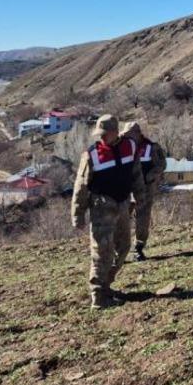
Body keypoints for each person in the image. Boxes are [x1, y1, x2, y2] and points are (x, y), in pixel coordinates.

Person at [71, 114, 146, 309]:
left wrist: (140, 196)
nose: (102, 137)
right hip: (101, 208)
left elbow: (136, 174)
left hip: (123, 205)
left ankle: (105, 285)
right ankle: (98, 296)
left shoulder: (130, 146)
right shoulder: (92, 155)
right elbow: (81, 186)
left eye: (105, 133)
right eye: (100, 134)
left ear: (115, 132)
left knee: (124, 247)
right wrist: (77, 214)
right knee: (101, 252)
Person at [123, 121, 167, 261]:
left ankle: (139, 248)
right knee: (122, 219)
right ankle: (120, 250)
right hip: (126, 189)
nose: (126, 138)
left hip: (145, 189)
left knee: (142, 219)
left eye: (129, 135)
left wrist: (150, 176)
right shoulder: (123, 148)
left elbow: (162, 164)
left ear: (137, 134)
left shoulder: (151, 147)